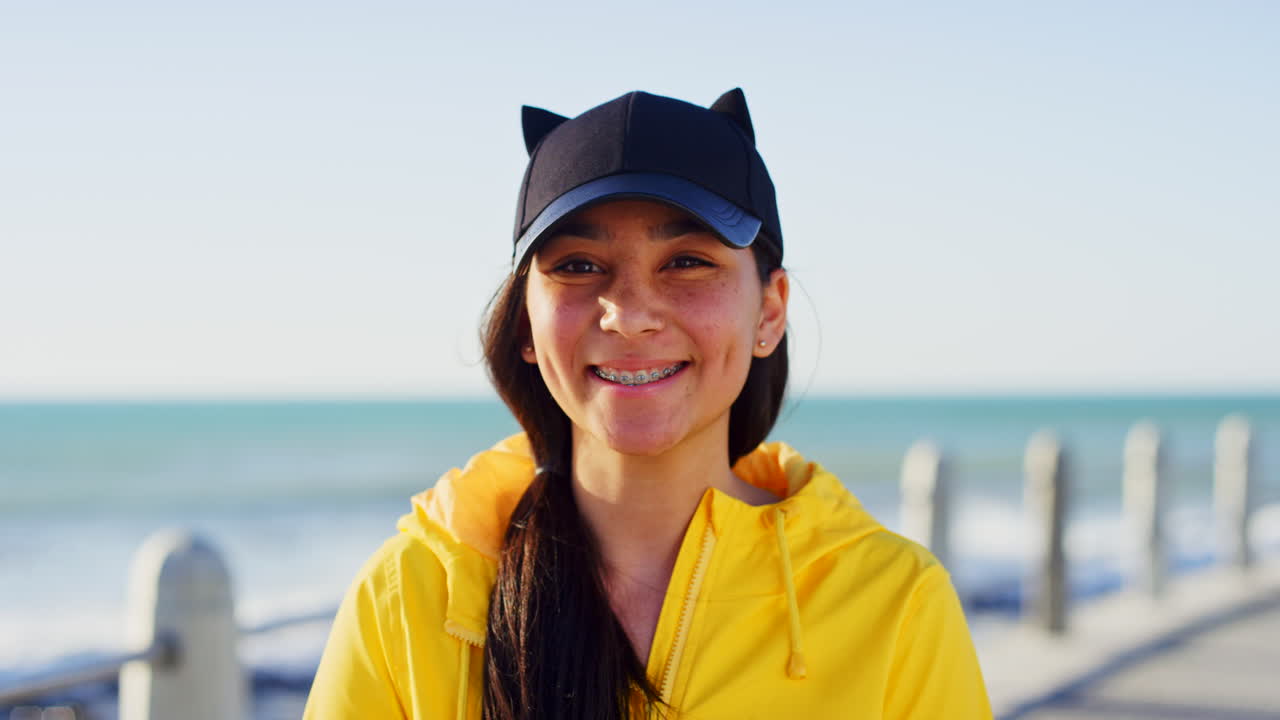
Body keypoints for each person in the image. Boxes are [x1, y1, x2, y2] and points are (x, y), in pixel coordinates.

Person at [304, 88, 992, 719]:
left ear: (769, 312)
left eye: (687, 262)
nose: (629, 314)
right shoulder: (411, 596)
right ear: (525, 325)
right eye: (577, 266)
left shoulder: (895, 602)